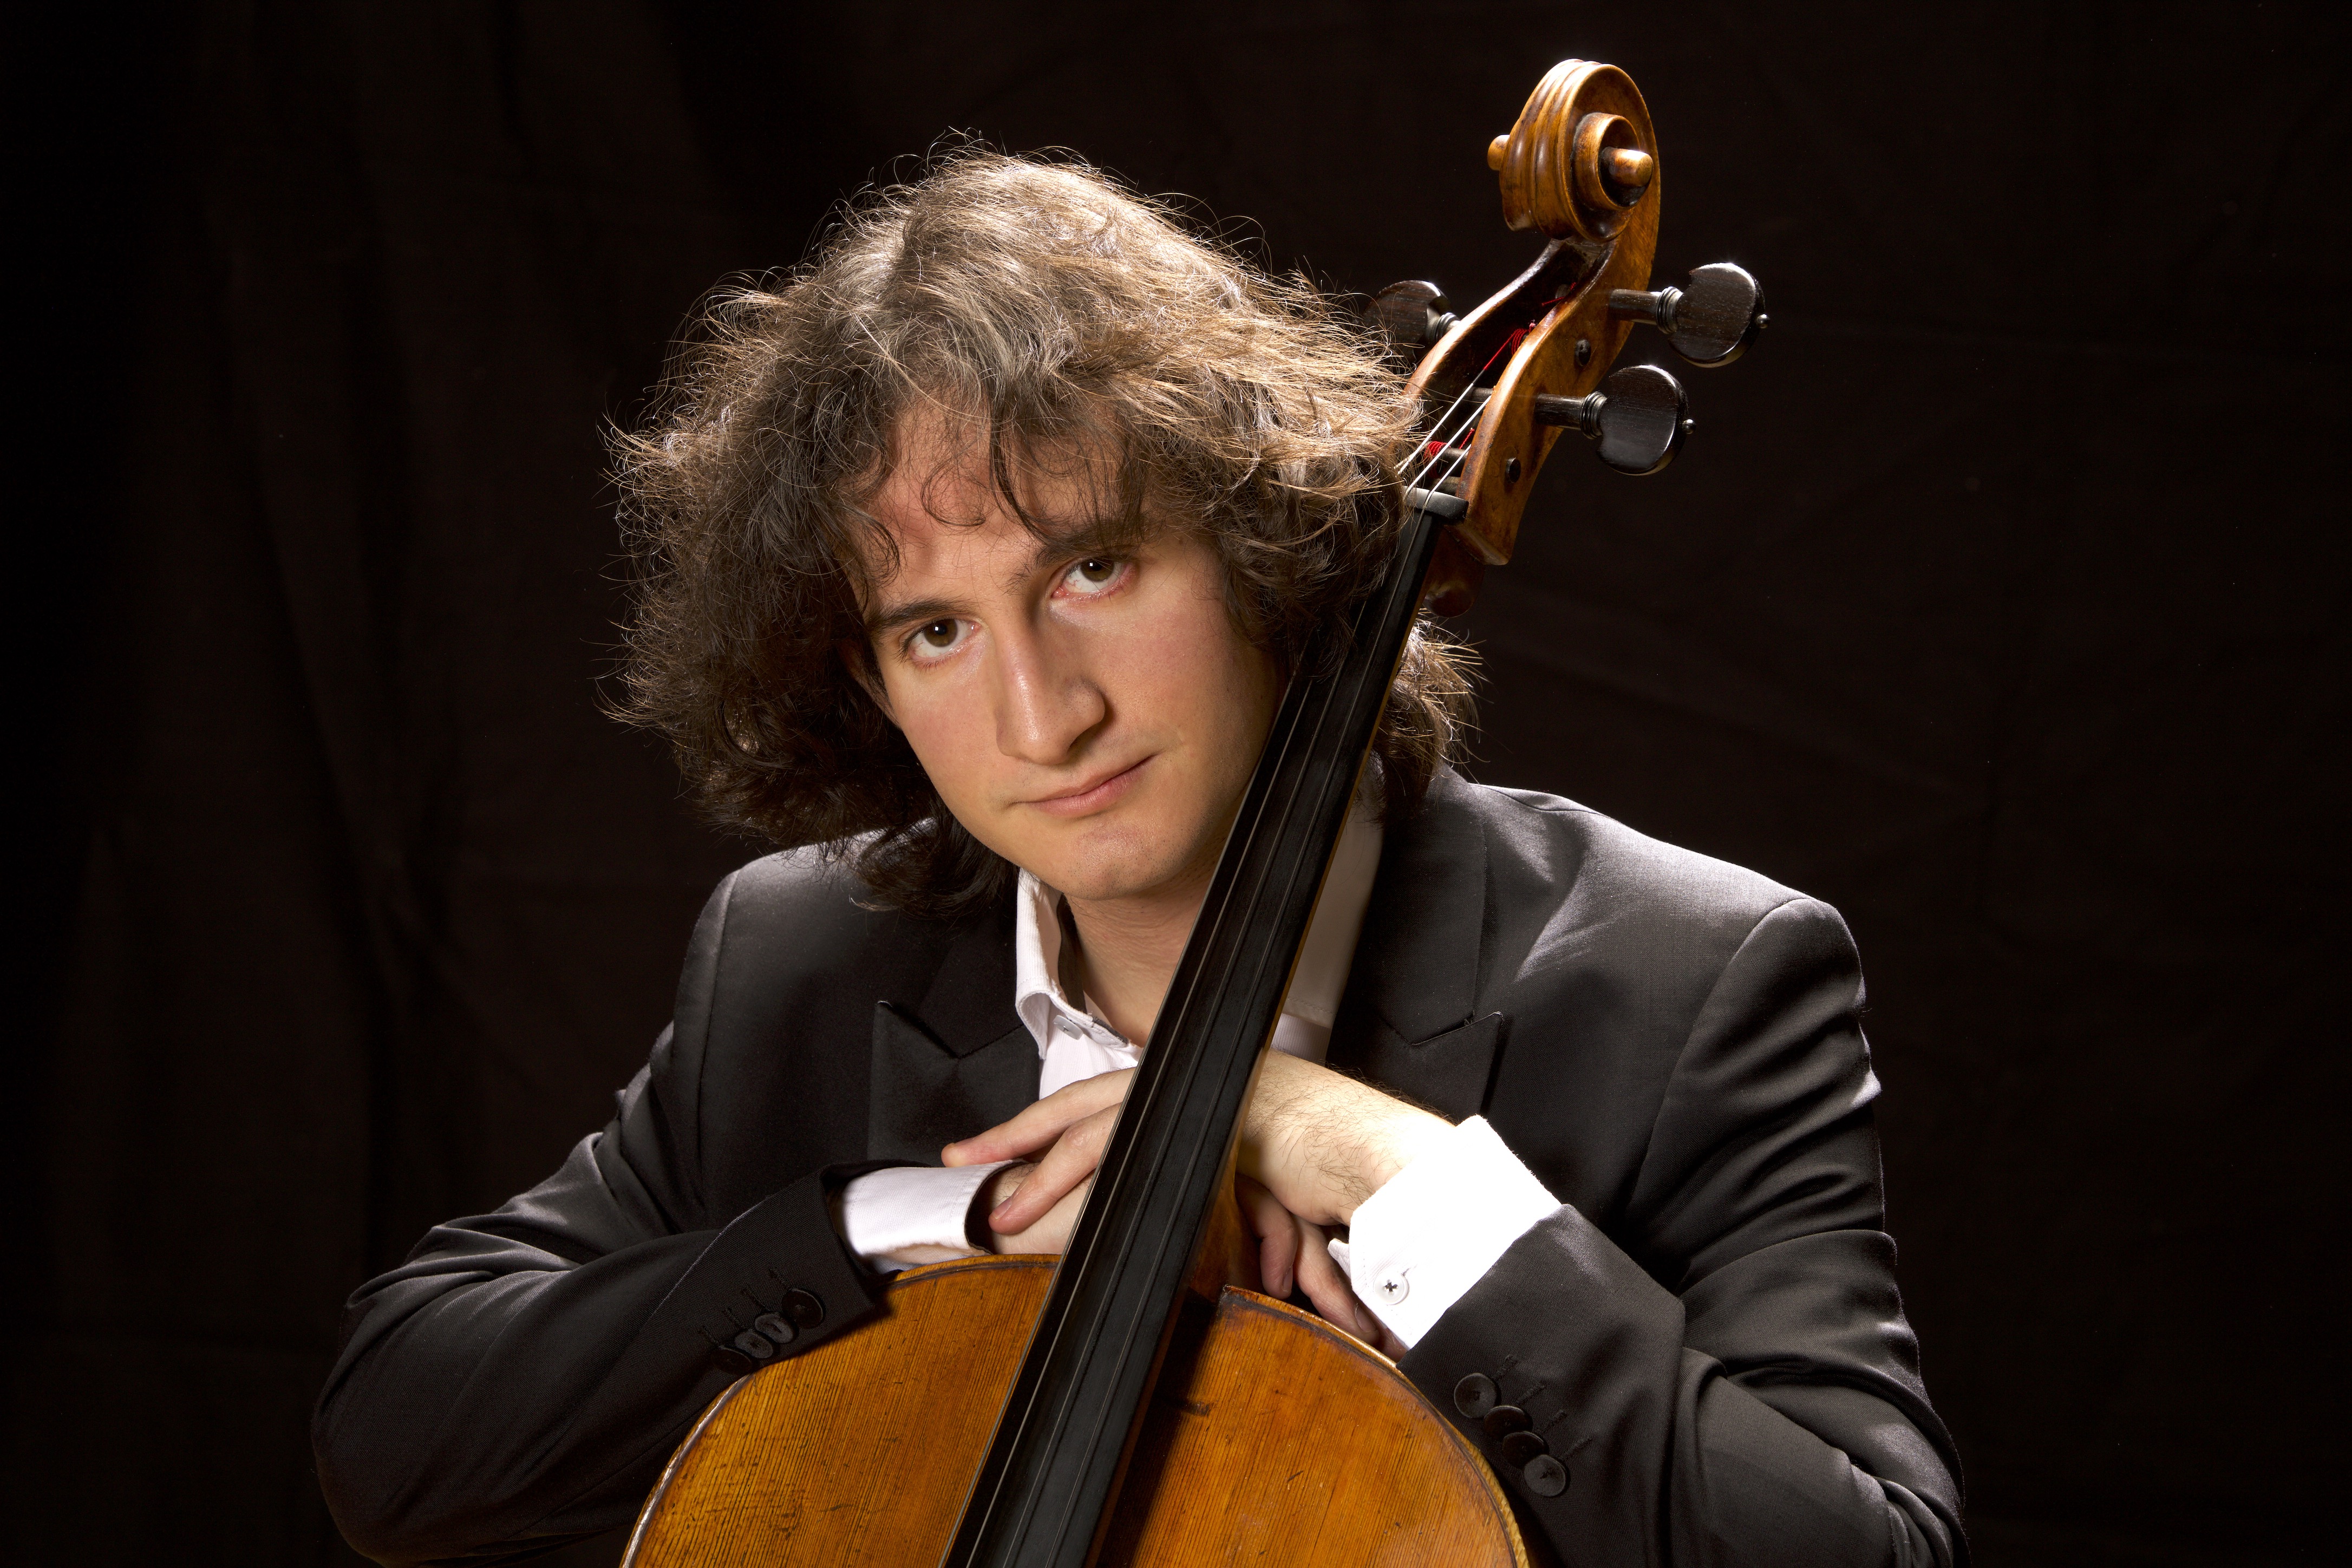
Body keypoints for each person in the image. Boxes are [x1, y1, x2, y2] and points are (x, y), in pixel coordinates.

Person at [313, 151, 1965, 1567]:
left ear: (1260, 540)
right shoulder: (804, 962)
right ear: (865, 681)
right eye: (937, 629)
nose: (1044, 716)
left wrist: (1360, 1154)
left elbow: (1871, 1547)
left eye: (1093, 568)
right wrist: (923, 1224)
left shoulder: (1687, 986)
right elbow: (397, 1440)